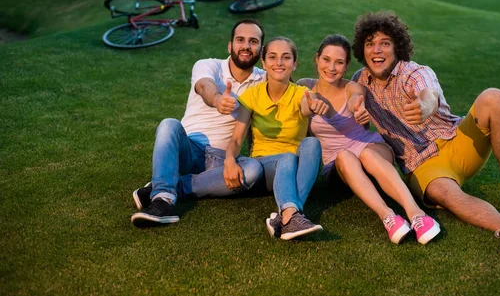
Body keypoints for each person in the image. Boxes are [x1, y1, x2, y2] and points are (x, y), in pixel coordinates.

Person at [351, 10, 500, 254]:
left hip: (456, 140)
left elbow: (428, 93)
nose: (376, 50)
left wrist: (424, 107)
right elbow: (350, 103)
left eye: (385, 43)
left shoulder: (413, 72)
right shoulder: (360, 81)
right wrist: (356, 112)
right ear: (362, 49)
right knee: (446, 194)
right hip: (421, 164)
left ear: (397, 47)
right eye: (370, 44)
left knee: (495, 97)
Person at [297, 34, 441, 245]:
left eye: (339, 62)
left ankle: (417, 215)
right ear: (317, 59)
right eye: (326, 59)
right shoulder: (305, 86)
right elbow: (303, 105)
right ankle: (388, 217)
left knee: (366, 154)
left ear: (346, 66)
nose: (331, 67)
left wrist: (358, 106)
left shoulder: (352, 87)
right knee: (345, 156)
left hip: (371, 150)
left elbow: (357, 96)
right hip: (340, 168)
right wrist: (311, 104)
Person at [130, 19, 267, 227]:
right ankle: (163, 201)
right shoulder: (208, 65)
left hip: (223, 160)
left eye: (253, 41)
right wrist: (218, 100)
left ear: (261, 49)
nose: (246, 46)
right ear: (230, 46)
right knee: (169, 124)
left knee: (253, 170)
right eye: (240, 40)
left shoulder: (264, 80)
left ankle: (170, 185)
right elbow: (205, 86)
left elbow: (289, 90)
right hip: (188, 150)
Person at [225, 36, 326, 240]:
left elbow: (308, 104)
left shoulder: (301, 93)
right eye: (272, 57)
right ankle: (291, 215)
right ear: (264, 63)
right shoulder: (253, 95)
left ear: (294, 64)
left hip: (297, 169)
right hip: (265, 168)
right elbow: (237, 139)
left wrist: (313, 104)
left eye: (286, 57)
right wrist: (229, 160)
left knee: (312, 143)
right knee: (286, 158)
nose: (279, 62)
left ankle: (285, 216)